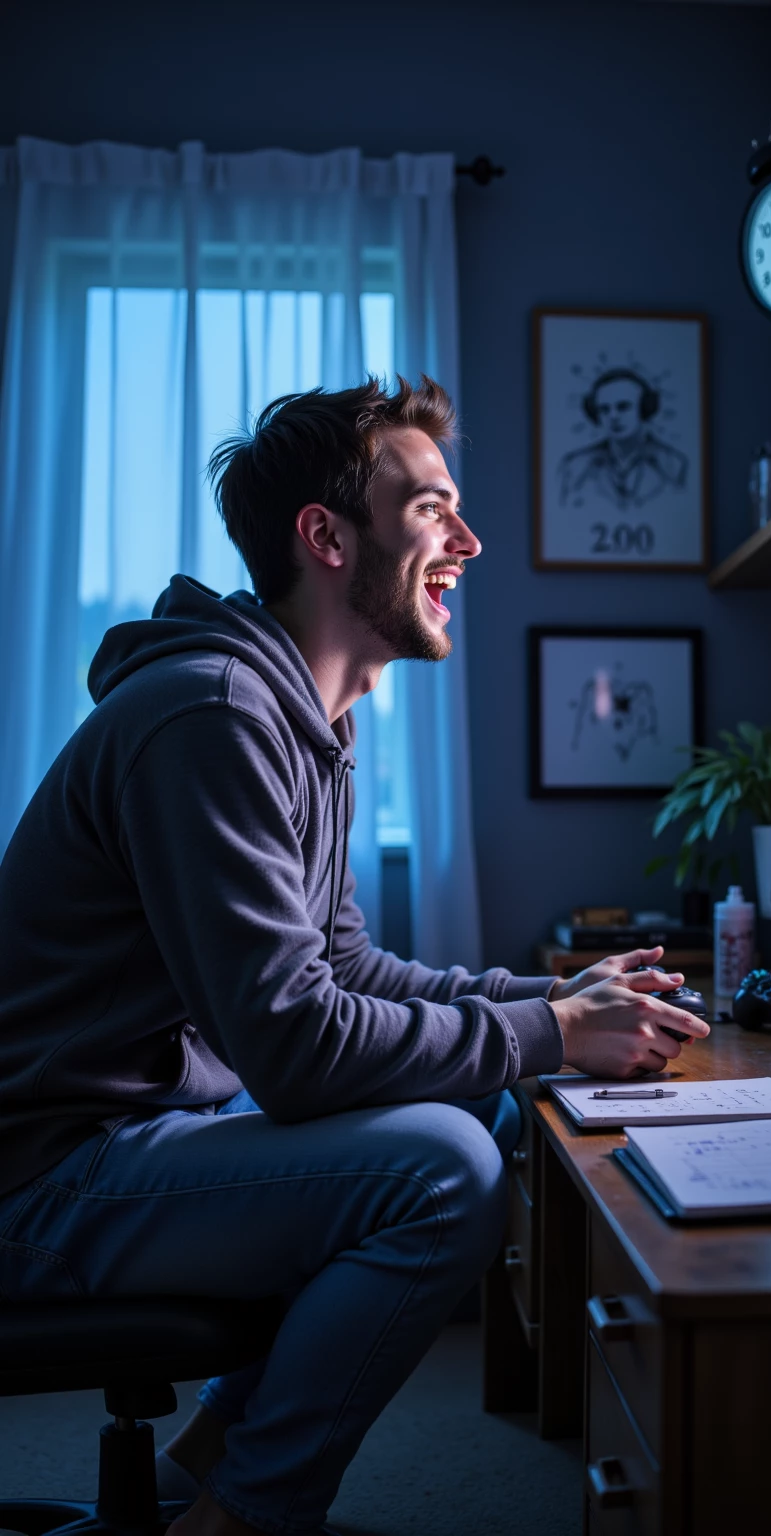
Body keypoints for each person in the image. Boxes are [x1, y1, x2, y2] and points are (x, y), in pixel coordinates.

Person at [0, 377, 707, 1536]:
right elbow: (296, 1047)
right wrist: (549, 1034)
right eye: (431, 509)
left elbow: (348, 974)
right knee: (443, 1168)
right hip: (41, 1179)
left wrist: (554, 1000)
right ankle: (244, 1519)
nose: (469, 541)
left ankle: (207, 1470)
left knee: (470, 1110)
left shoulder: (294, 720)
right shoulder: (215, 718)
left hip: (122, 1138)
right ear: (327, 538)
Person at [558, 367, 688, 512]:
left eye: (623, 407)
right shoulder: (576, 466)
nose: (613, 417)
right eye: (604, 409)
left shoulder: (673, 464)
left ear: (644, 408)